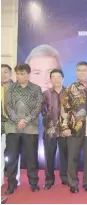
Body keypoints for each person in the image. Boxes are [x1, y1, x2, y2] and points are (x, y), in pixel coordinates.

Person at [60, 61, 87, 193]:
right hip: (73, 129)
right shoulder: (70, 88)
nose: (82, 72)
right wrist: (64, 127)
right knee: (73, 158)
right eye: (79, 70)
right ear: (76, 72)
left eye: (85, 70)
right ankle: (73, 184)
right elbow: (64, 108)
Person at [4, 63, 43, 194]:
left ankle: (33, 183)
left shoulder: (36, 88)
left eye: (23, 73)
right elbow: (8, 106)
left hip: (30, 128)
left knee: (31, 158)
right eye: (18, 74)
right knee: (12, 158)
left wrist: (25, 120)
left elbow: (38, 107)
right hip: (13, 128)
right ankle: (11, 184)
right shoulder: (10, 88)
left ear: (28, 74)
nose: (21, 76)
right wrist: (17, 120)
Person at [42, 69, 68, 190]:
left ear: (63, 78)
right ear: (50, 79)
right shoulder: (45, 93)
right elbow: (42, 110)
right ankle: (49, 179)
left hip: (65, 130)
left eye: (59, 77)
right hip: (50, 130)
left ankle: (65, 177)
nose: (56, 80)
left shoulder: (69, 93)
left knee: (65, 155)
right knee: (49, 156)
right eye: (54, 77)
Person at [1, 64, 20, 187]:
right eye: (0, 72)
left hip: (14, 127)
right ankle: (0, 180)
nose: (3, 74)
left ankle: (15, 179)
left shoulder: (17, 89)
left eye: (5, 72)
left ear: (10, 74)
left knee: (13, 155)